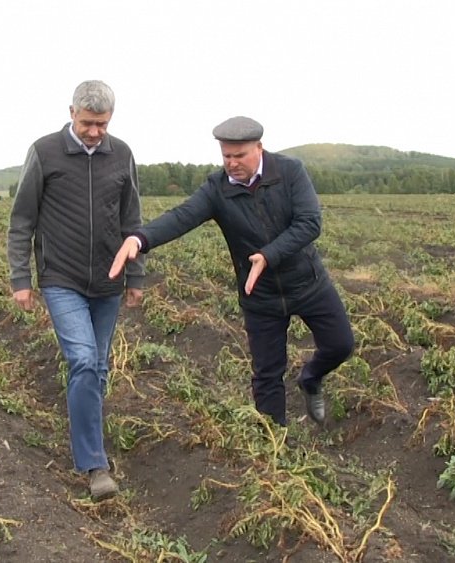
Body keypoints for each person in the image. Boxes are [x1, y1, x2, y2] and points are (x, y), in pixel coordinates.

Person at [109, 116, 353, 429]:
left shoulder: (290, 172)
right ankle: (274, 444)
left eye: (240, 155)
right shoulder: (217, 189)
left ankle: (311, 378)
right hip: (260, 295)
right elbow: (182, 216)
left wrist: (268, 255)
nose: (232, 163)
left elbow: (309, 223)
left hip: (308, 284)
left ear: (259, 148)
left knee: (340, 345)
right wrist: (140, 239)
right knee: (267, 376)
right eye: (226, 156)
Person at [7, 80, 144, 500]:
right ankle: (95, 465)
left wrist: (136, 277)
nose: (94, 132)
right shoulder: (45, 152)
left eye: (102, 124)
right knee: (83, 360)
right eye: (87, 123)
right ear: (71, 113)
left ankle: (89, 434)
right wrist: (21, 279)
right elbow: (22, 219)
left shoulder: (121, 154)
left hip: (108, 280)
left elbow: (132, 221)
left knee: (98, 367)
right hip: (61, 279)